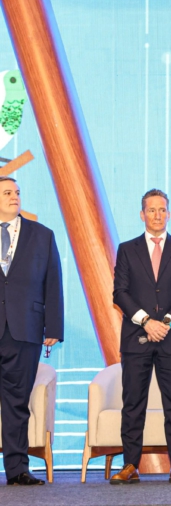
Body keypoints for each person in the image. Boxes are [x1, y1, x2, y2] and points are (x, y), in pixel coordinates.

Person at [111, 189, 171, 484]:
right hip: (137, 337)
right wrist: (147, 322)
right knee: (133, 402)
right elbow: (119, 293)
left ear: (169, 214)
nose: (157, 215)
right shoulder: (127, 249)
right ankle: (130, 465)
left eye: (162, 210)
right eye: (151, 210)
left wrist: (168, 323)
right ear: (142, 214)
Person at [0, 176, 63, 486]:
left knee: (16, 402)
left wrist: (54, 326)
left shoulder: (42, 235)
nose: (15, 197)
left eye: (17, 192)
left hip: (25, 329)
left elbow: (53, 282)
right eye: (7, 193)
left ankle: (17, 470)